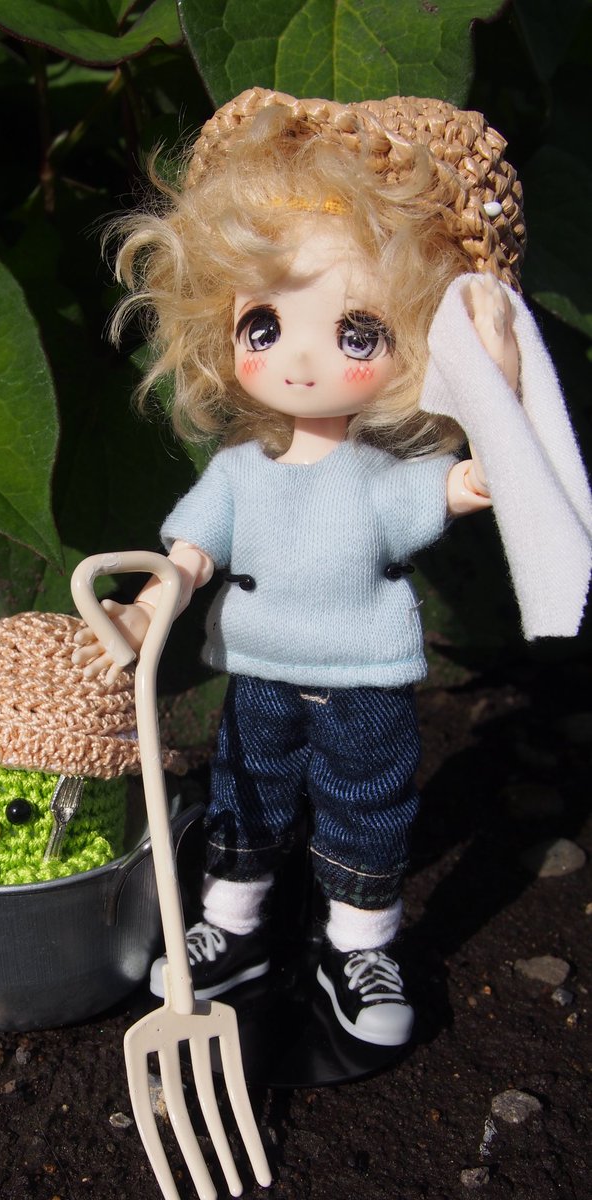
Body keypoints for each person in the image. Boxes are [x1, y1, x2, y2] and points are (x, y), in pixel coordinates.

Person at [72, 90, 589, 1047]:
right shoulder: (239, 472)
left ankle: (360, 947)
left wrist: (499, 383)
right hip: (260, 672)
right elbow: (190, 554)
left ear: (412, 344)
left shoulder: (382, 480)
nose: (300, 361)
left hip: (365, 683)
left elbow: (483, 481)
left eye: (358, 333)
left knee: (367, 813)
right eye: (264, 326)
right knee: (245, 795)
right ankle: (233, 926)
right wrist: (148, 609)